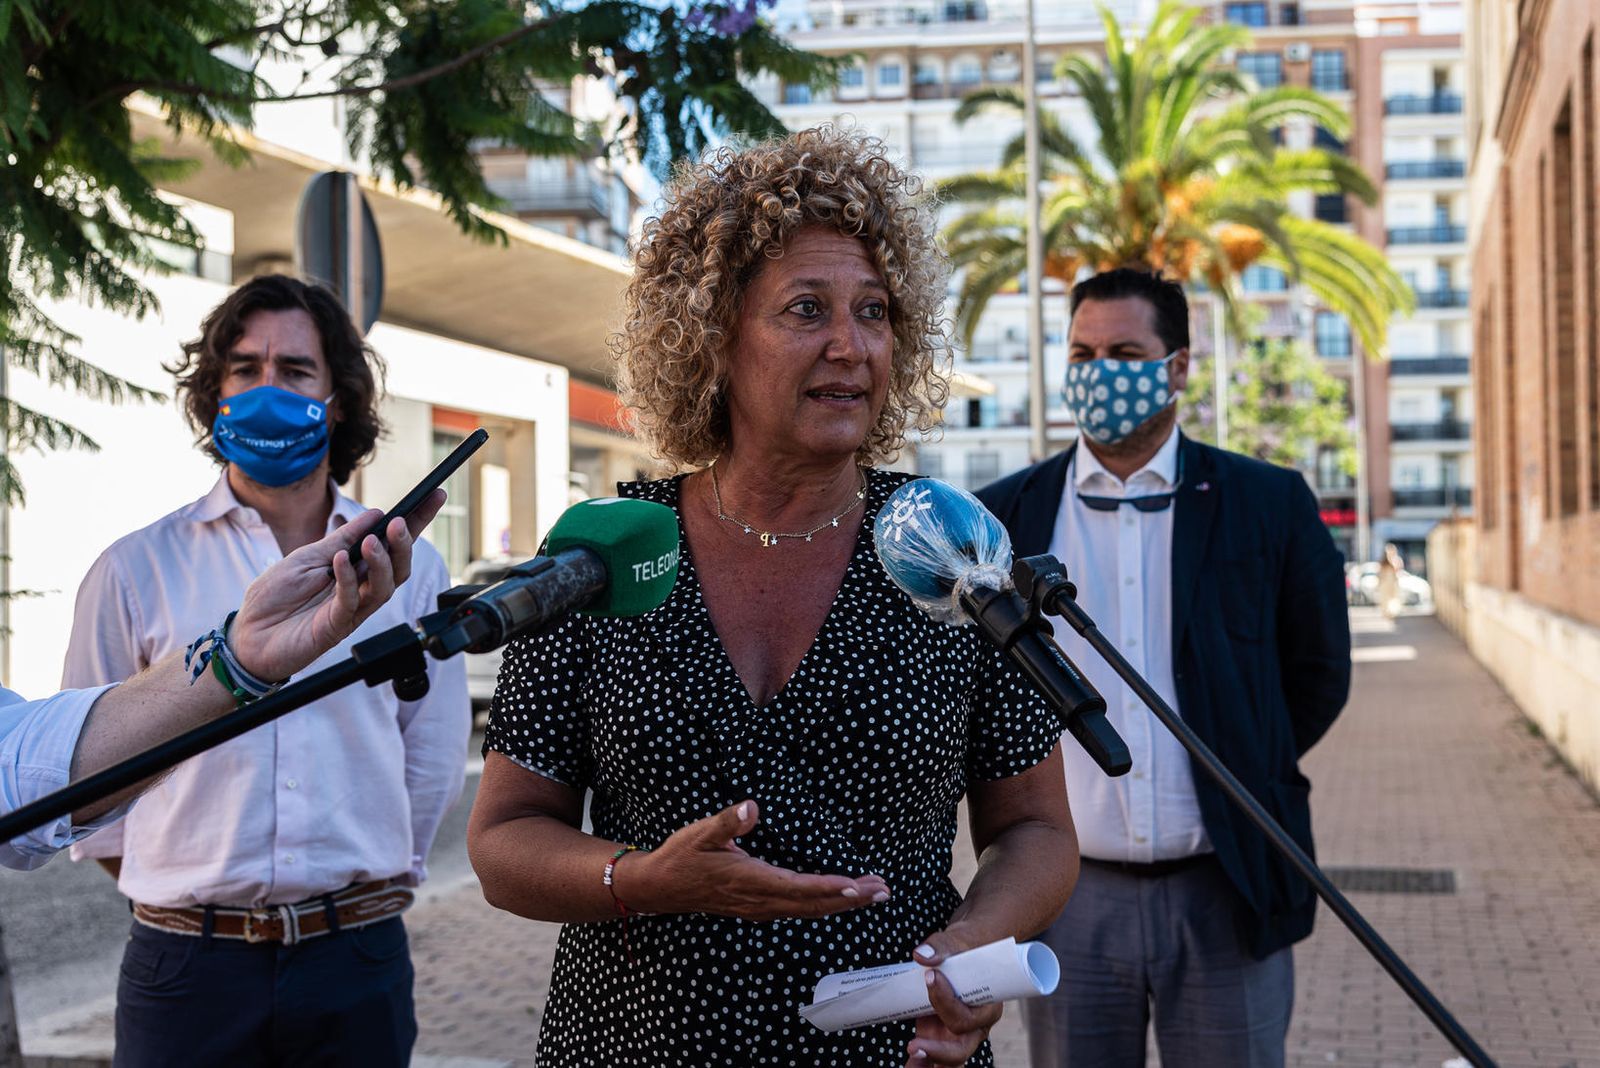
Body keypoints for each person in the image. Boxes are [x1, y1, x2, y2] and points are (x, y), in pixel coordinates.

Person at [467, 127, 1079, 1068]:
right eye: (806, 309)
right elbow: (504, 838)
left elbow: (1035, 827)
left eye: (874, 312)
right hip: (635, 1045)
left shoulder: (949, 549)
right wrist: (645, 879)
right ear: (713, 338)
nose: (851, 345)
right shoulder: (608, 552)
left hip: (891, 1047)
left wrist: (968, 951)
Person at [61, 275, 471, 1067]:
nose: (267, 389)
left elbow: (431, 757)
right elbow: (88, 779)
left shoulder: (407, 568)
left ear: (337, 400)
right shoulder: (133, 569)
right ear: (214, 393)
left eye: (295, 370)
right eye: (245, 369)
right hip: (185, 971)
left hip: (357, 960)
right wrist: (190, 888)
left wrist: (370, 885)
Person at [976, 268, 1351, 1067]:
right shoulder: (1005, 515)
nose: (1099, 373)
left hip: (1228, 885)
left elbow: (1319, 672)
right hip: (1067, 897)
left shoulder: (1268, 503)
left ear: (1177, 367)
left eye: (1123, 353)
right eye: (1082, 354)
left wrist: (1247, 752)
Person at [0, 497, 440, 870]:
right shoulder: (132, 561)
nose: (270, 413)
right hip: (183, 928)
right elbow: (44, 791)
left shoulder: (412, 559)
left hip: (364, 922)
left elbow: (432, 753)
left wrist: (237, 659)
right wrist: (163, 897)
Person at [1376, 542, 1406, 619]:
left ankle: (1393, 612)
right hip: (1385, 582)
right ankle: (1387, 612)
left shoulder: (1397, 560)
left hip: (1393, 582)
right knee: (1385, 598)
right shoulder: (1383, 562)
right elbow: (1380, 573)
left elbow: (1398, 570)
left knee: (1394, 598)